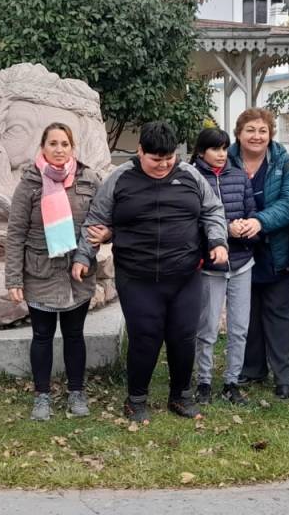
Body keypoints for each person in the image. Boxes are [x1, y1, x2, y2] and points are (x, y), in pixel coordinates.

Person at [74, 121, 228, 422]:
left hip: (185, 275)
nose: (163, 165)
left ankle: (181, 396)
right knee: (145, 337)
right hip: (138, 276)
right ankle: (136, 399)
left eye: (168, 158)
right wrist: (83, 256)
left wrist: (218, 240)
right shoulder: (120, 179)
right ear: (140, 151)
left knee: (183, 336)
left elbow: (213, 210)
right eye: (155, 159)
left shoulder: (190, 176)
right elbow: (97, 219)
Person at [5, 122, 101, 421]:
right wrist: (13, 278)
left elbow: (98, 223)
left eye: (65, 144)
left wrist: (91, 249)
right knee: (42, 336)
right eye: (53, 144)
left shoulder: (88, 179)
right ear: (42, 147)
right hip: (40, 272)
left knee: (74, 335)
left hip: (77, 272)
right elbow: (15, 232)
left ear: (73, 148)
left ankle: (76, 392)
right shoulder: (30, 183)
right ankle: (42, 396)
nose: (59, 150)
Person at [227, 108, 289, 399]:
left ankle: (284, 376)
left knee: (279, 313)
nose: (257, 136)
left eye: (262, 130)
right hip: (237, 250)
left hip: (275, 250)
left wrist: (259, 221)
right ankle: (251, 368)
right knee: (246, 313)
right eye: (250, 130)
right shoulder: (225, 159)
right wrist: (230, 226)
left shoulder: (285, 164)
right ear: (239, 133)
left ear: (270, 134)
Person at [190, 127, 256, 406]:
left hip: (242, 262)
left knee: (239, 327)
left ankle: (232, 381)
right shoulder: (191, 178)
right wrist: (224, 232)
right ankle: (203, 381)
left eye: (224, 148)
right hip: (210, 266)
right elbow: (191, 223)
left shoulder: (239, 176)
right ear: (201, 151)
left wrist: (248, 226)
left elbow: (251, 210)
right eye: (214, 148)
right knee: (207, 327)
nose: (220, 154)